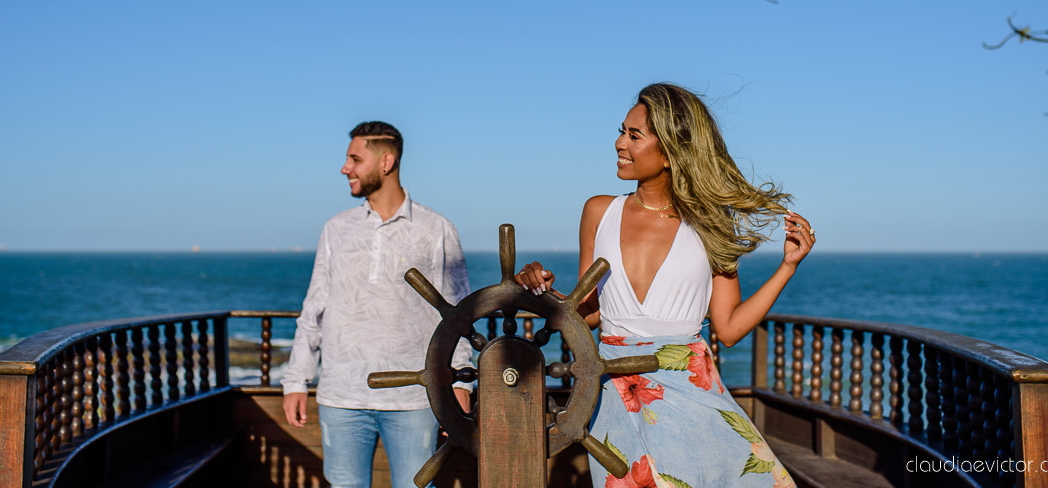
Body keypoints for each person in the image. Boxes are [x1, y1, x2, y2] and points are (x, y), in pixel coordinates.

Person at [515, 84, 815, 488]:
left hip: (693, 396)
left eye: (634, 136)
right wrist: (539, 287)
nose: (619, 143)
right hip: (611, 388)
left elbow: (727, 328)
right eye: (622, 131)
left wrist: (787, 267)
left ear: (671, 151)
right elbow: (584, 315)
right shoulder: (599, 212)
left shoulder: (710, 224)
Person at [282, 121, 473, 488]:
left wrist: (461, 381)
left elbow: (457, 311)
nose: (345, 168)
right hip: (342, 395)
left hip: (415, 397)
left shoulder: (437, 229)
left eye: (355, 159)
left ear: (386, 162)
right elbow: (315, 308)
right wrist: (295, 381)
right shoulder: (336, 229)